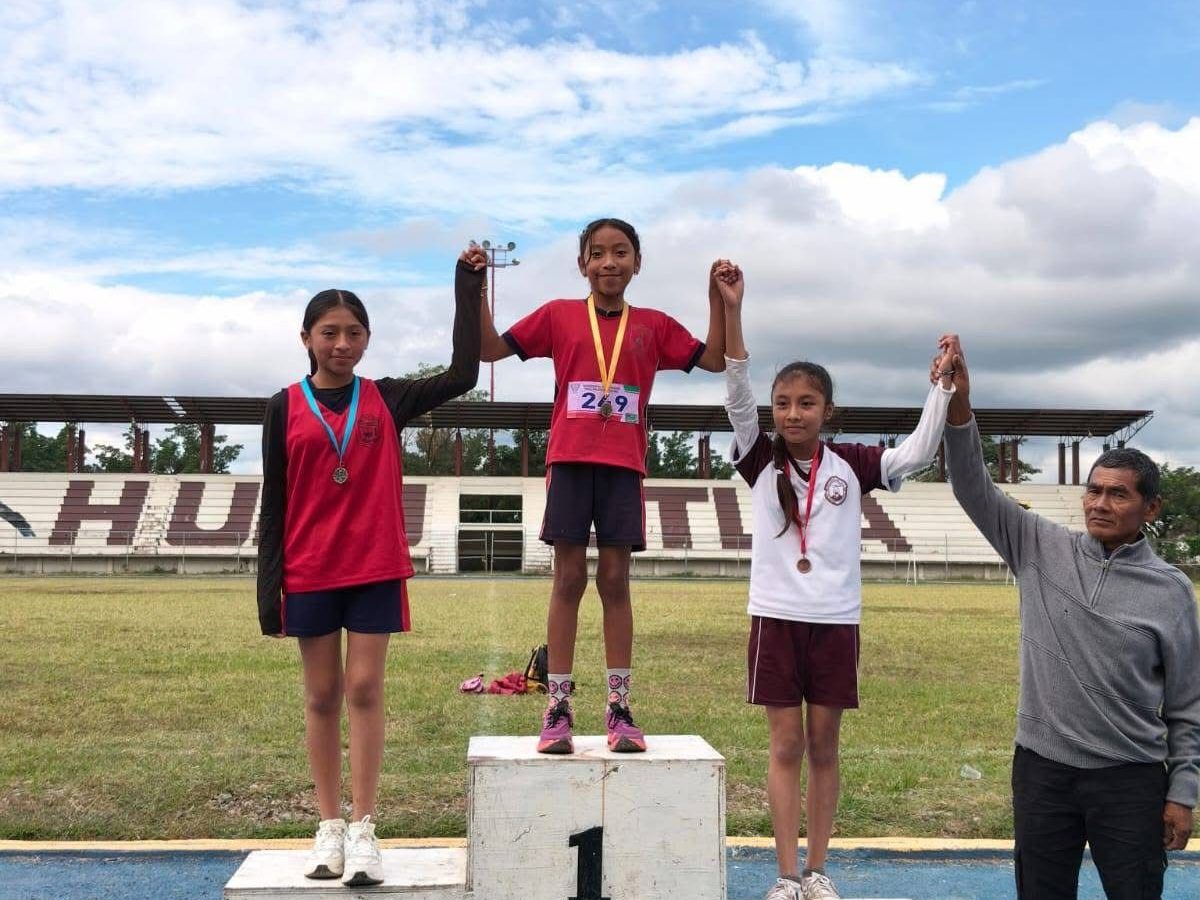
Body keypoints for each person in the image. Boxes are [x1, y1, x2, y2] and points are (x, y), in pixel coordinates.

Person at [716, 261, 956, 900]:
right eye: (784, 403)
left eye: (807, 403)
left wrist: (941, 388)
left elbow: (919, 453)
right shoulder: (757, 457)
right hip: (774, 615)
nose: (793, 413)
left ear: (828, 409)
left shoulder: (852, 463)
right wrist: (733, 309)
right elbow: (736, 390)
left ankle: (819, 871)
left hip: (835, 620)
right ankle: (787, 874)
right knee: (786, 743)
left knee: (824, 745)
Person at [938, 333, 1200, 900]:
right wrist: (960, 405)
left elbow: (1185, 704)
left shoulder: (1172, 590)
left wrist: (1182, 791)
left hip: (1130, 779)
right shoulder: (1038, 544)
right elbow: (970, 485)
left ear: (1151, 508)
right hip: (1042, 772)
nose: (1100, 504)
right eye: (1094, 491)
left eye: (1119, 495)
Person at [257, 247, 485, 885]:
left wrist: (467, 284)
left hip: (375, 566)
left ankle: (364, 828)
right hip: (307, 569)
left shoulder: (387, 398)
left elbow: (464, 373)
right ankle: (327, 826)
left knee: (363, 689)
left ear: (367, 340)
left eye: (353, 333)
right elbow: (273, 503)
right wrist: (267, 587)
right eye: (329, 332)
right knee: (322, 695)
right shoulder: (282, 406)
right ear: (306, 339)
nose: (341, 343)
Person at [479, 217, 726, 755]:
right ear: (582, 263)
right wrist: (474, 289)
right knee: (567, 579)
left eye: (620, 252)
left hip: (623, 466)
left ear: (637, 262)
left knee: (615, 582)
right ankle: (558, 708)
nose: (608, 262)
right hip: (569, 459)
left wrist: (721, 300)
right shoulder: (559, 316)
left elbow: (711, 358)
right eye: (597, 253)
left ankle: (619, 708)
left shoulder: (653, 325)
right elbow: (490, 349)